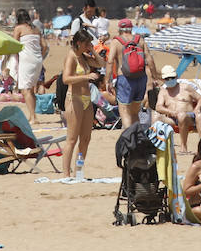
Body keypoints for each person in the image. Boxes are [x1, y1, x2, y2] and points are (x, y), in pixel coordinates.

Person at [60, 28, 102, 178]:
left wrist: (93, 51)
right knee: (72, 139)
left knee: (85, 139)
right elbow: (66, 79)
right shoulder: (71, 57)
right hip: (74, 99)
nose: (89, 45)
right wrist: (86, 77)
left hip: (86, 100)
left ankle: (78, 171)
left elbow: (101, 63)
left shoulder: (83, 57)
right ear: (79, 43)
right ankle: (66, 173)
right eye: (87, 43)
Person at [106, 18, 150, 129]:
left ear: (120, 29)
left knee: (125, 111)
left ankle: (129, 139)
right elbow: (149, 59)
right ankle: (136, 139)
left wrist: (108, 80)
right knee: (135, 113)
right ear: (131, 29)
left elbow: (110, 61)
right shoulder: (140, 40)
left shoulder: (116, 42)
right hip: (141, 78)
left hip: (124, 78)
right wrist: (154, 77)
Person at [155, 65, 201, 151]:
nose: (170, 80)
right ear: (163, 80)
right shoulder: (163, 91)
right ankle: (158, 146)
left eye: (172, 78)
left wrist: (197, 109)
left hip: (188, 117)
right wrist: (170, 112)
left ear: (176, 77)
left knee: (182, 116)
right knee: (155, 117)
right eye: (167, 79)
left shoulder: (185, 87)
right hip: (172, 118)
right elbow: (158, 106)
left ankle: (184, 147)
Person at [12, 9, 47, 124]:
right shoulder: (36, 29)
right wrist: (40, 57)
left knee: (25, 89)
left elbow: (14, 44)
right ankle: (32, 115)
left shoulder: (19, 28)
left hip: (26, 60)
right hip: (37, 60)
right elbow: (45, 46)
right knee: (31, 89)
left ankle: (33, 117)